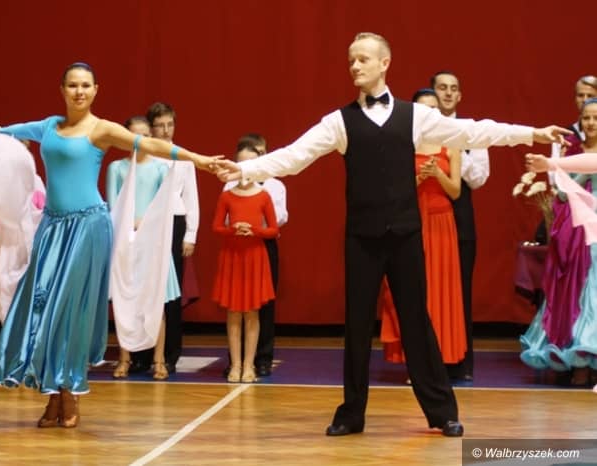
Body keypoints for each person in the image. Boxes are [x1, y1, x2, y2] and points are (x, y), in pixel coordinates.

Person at [216, 32, 569, 437]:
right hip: (361, 239)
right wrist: (244, 170)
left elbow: (473, 132)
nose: (355, 66)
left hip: (405, 236)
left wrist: (533, 133)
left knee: (417, 320)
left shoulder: (415, 116)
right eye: (351, 60)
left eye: (363, 59)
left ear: (384, 63)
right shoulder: (339, 121)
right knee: (357, 325)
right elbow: (295, 156)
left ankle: (442, 412)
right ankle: (351, 413)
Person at [0, 62, 217, 428]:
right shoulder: (49, 126)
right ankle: (53, 391)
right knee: (42, 308)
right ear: (62, 90)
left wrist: (197, 159)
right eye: (73, 85)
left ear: (95, 90)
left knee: (69, 312)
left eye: (85, 85)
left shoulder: (102, 129)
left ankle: (69, 391)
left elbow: (150, 143)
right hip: (52, 228)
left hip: (88, 226)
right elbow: (12, 131)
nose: (79, 91)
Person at [379, 89, 466, 374]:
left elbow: (455, 191)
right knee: (411, 290)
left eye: (433, 108)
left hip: (441, 223)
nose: (429, 112)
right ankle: (415, 362)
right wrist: (418, 178)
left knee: (441, 291)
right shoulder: (404, 144)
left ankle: (440, 359)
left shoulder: (451, 144)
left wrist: (437, 174)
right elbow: (392, 191)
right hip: (411, 221)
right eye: (423, 108)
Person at [522, 98, 597, 384]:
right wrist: (564, 167)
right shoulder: (571, 151)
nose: (591, 123)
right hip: (576, 227)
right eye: (586, 118)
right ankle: (577, 360)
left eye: (596, 118)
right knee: (578, 290)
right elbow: (564, 195)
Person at [107, 115, 180, 380]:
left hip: (152, 243)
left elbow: (164, 207)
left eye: (146, 136)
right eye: (135, 136)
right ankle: (124, 358)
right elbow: (113, 206)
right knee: (125, 302)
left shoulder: (160, 169)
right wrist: (128, 225)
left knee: (155, 301)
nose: (141, 141)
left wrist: (144, 223)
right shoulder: (117, 168)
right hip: (126, 242)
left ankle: (159, 360)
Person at [130, 102, 199, 375]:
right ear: (151, 127)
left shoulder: (182, 157)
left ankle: (169, 353)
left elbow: (191, 197)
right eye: (160, 125)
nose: (166, 130)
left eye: (170, 124)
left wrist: (191, 234)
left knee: (170, 292)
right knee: (143, 289)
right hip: (145, 225)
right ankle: (141, 354)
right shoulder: (143, 156)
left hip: (174, 222)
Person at [431, 71, 490, 382]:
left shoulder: (471, 131)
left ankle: (461, 361)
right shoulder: (420, 129)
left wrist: (454, 149)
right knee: (427, 290)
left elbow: (479, 178)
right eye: (442, 88)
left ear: (460, 95)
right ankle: (428, 359)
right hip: (427, 216)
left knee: (460, 290)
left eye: (453, 89)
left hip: (460, 217)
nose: (448, 93)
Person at [223, 133, 288, 376]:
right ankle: (236, 360)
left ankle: (262, 358)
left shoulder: (274, 185)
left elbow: (280, 218)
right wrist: (238, 225)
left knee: (264, 302)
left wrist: (256, 224)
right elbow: (224, 219)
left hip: (263, 244)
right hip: (238, 246)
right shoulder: (229, 187)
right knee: (236, 304)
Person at [213, 145, 279, 383]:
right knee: (233, 313)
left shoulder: (264, 195)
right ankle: (235, 365)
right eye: (242, 162)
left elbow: (273, 229)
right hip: (233, 256)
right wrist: (233, 229)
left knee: (252, 312)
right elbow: (216, 227)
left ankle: (249, 365)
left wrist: (256, 231)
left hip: (254, 256)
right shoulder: (227, 195)